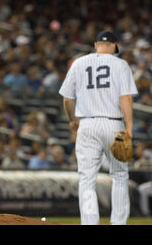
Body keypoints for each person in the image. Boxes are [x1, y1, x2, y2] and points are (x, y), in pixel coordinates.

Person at [59, 30, 138, 225]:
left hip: (87, 123)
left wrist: (72, 120)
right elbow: (125, 98)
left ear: (96, 45)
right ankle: (118, 223)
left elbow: (67, 99)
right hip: (114, 124)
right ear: (113, 45)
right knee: (120, 175)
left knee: (86, 178)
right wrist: (129, 126)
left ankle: (89, 223)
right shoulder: (120, 64)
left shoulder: (78, 63)